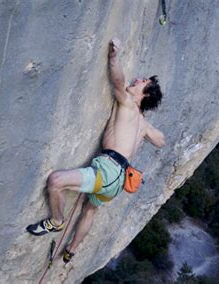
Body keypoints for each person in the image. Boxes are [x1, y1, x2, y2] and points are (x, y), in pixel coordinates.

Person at [26, 38, 166, 263]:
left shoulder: (130, 103)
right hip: (117, 181)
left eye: (143, 82)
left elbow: (118, 83)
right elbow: (161, 141)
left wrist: (113, 57)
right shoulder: (143, 124)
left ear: (145, 94)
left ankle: (56, 220)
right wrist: (146, 127)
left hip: (107, 172)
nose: (137, 79)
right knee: (90, 210)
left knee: (55, 181)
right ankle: (71, 250)